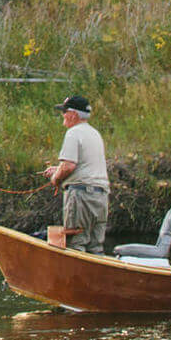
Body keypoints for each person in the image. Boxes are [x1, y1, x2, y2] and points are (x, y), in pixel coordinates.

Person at [43, 94, 108, 253]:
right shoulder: (95, 134)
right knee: (95, 247)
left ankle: (77, 279)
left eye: (64, 111)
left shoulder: (73, 133)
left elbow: (69, 166)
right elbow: (84, 165)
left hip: (81, 197)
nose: (63, 115)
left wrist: (55, 178)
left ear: (73, 114)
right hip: (101, 197)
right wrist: (57, 168)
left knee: (75, 246)